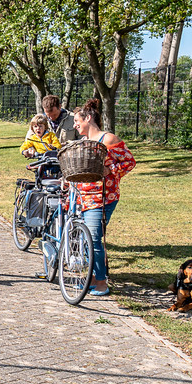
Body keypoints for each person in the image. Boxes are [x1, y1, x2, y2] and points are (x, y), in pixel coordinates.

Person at [71, 97, 136, 296]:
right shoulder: (83, 141)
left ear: (88, 118)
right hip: (85, 197)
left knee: (94, 239)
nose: (75, 125)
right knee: (87, 239)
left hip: (103, 197)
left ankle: (101, 283)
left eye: (77, 121)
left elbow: (129, 162)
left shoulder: (108, 139)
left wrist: (111, 170)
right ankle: (91, 278)